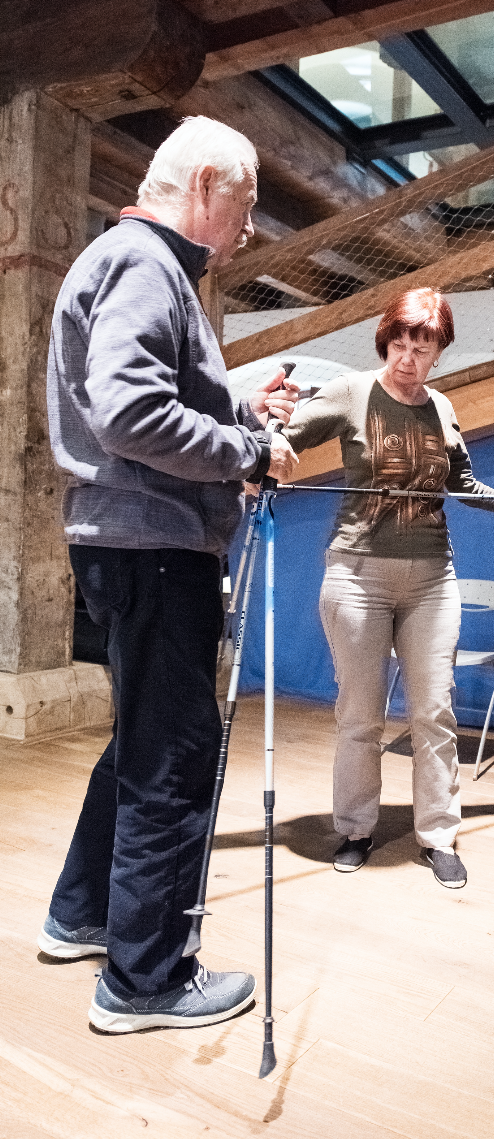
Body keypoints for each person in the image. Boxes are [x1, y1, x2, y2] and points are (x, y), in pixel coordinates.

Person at [40, 116, 300, 1032]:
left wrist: (235, 401)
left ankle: (83, 913)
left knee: (143, 744)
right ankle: (144, 979)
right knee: (175, 759)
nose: (251, 227)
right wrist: (247, 451)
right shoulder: (146, 265)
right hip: (154, 546)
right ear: (203, 187)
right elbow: (129, 411)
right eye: (246, 203)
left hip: (130, 542)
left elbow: (146, 393)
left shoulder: (132, 263)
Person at [272, 288, 494, 888]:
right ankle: (355, 828)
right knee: (361, 714)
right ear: (386, 341)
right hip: (357, 576)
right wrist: (267, 442)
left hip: (432, 578)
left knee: (434, 713)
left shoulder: (441, 407)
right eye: (399, 345)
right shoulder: (352, 392)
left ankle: (438, 835)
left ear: (438, 352)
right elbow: (278, 442)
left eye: (421, 349)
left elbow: (464, 484)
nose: (407, 358)